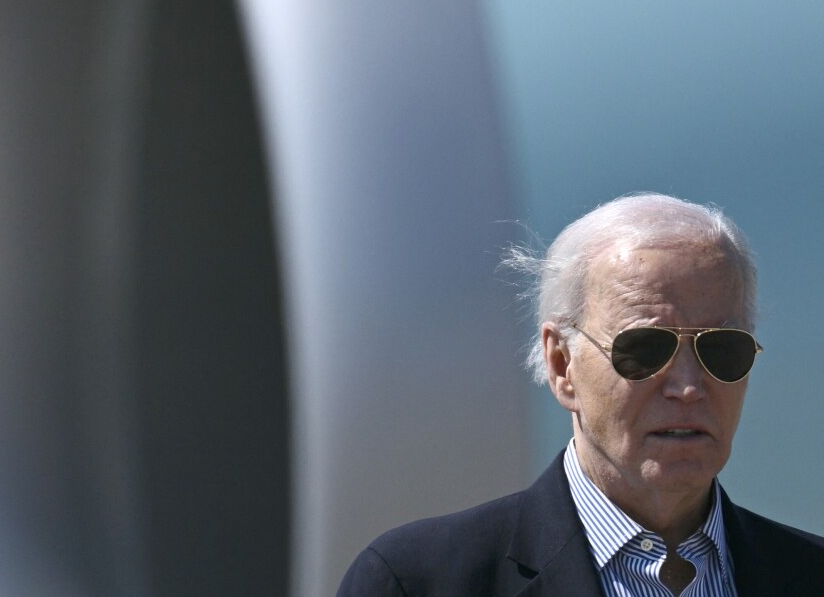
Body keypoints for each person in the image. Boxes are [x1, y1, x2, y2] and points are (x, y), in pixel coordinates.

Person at [337, 193, 824, 596]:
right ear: (561, 364)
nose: (689, 387)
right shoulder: (419, 583)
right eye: (646, 348)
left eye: (722, 349)